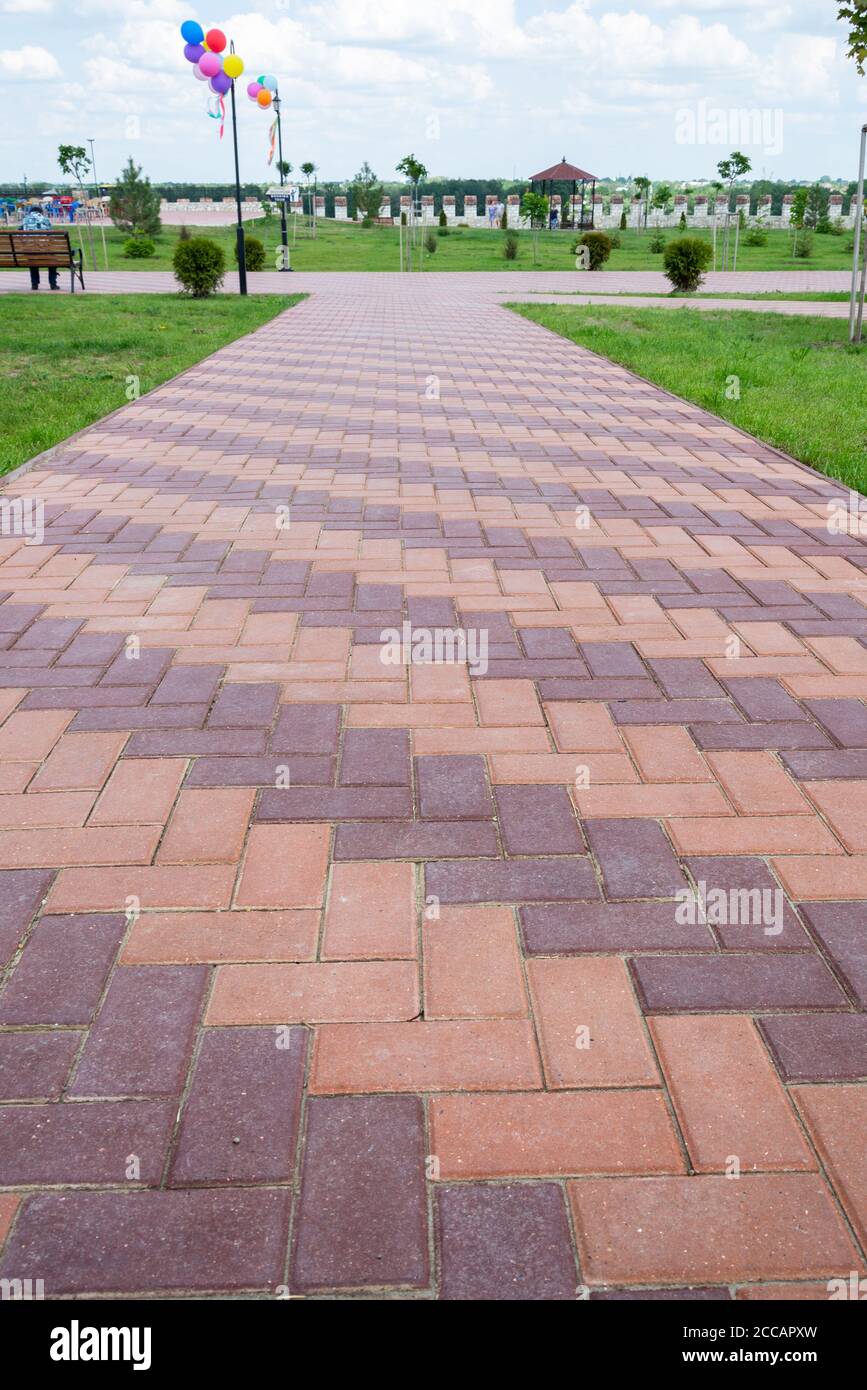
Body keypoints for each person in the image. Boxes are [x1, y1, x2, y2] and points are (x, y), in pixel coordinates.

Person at [20, 205, 59, 290]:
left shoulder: (25, 220)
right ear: (41, 212)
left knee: (33, 259)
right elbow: (50, 235)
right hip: (45, 250)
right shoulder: (45, 219)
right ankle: (53, 284)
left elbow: (20, 233)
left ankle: (34, 284)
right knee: (53, 260)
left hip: (31, 251)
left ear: (30, 212)